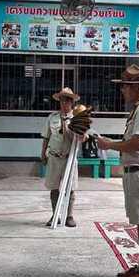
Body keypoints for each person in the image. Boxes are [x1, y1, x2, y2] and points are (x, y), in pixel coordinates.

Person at [96, 65, 139, 277]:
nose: (122, 90)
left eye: (124, 86)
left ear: (135, 88)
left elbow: (137, 144)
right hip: (138, 172)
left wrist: (109, 145)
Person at [40, 87, 81, 228]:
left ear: (71, 102)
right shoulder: (52, 118)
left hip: (69, 158)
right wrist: (42, 153)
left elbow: (83, 137)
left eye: (67, 101)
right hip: (54, 156)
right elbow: (46, 137)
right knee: (54, 187)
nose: (64, 104)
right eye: (62, 101)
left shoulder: (77, 118)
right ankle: (55, 214)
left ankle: (69, 216)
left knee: (70, 187)